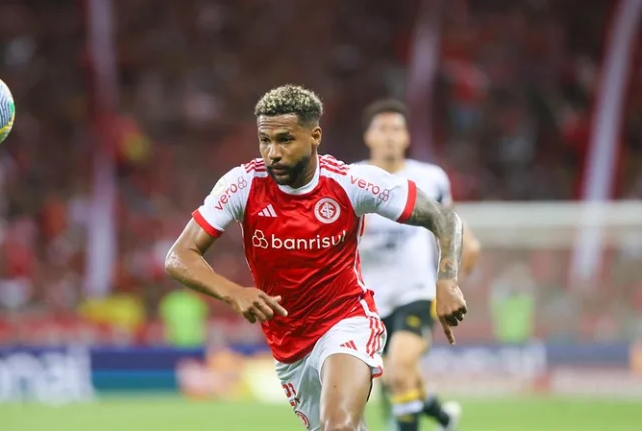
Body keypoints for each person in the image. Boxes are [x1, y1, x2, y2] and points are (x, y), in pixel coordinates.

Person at [165, 85, 468, 431]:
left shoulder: (351, 183)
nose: (273, 153)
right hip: (289, 343)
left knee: (339, 425)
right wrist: (233, 292)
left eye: (285, 140)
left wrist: (446, 280)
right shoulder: (243, 184)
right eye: (265, 141)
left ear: (315, 136)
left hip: (346, 321)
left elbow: (443, 217)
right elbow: (179, 256)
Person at [357, 99, 481, 431]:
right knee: (397, 378)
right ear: (367, 137)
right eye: (381, 129)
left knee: (398, 371)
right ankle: (442, 417)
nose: (389, 137)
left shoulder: (429, 177)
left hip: (416, 292)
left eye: (396, 129)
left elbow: (454, 230)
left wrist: (450, 284)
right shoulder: (352, 180)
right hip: (367, 302)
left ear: (407, 136)